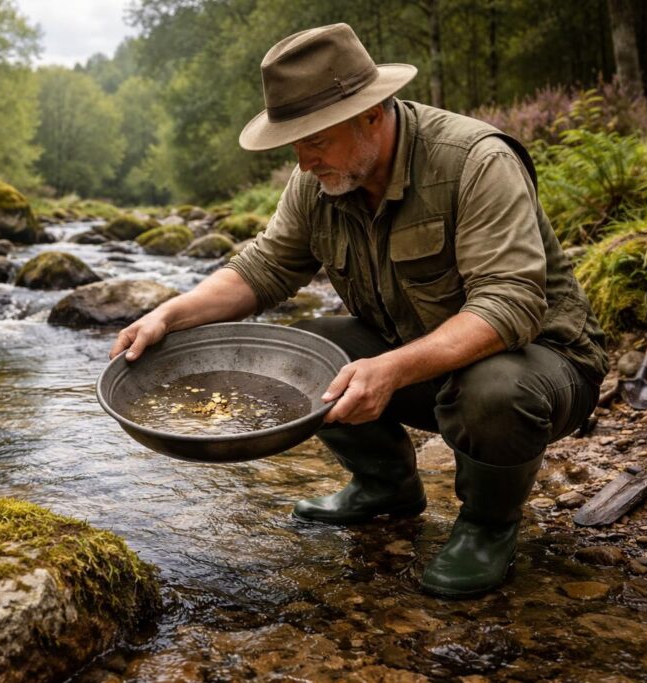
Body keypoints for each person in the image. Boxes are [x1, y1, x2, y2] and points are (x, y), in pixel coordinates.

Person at [109, 23, 607, 598]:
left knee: (493, 389)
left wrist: (391, 369)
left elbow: (512, 305)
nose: (302, 159)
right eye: (291, 141)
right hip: (428, 357)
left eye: (313, 139)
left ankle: (487, 527)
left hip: (543, 364)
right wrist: (170, 314)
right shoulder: (317, 179)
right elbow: (264, 267)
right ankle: (386, 486)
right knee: (304, 352)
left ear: (372, 114)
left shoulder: (475, 160)